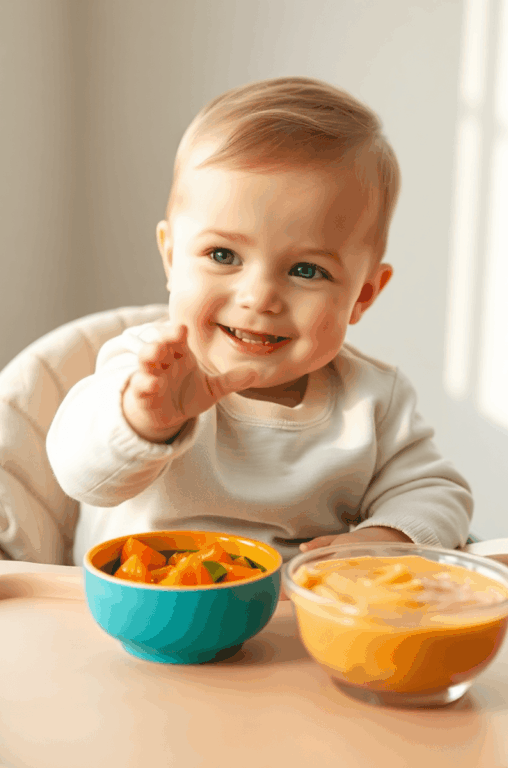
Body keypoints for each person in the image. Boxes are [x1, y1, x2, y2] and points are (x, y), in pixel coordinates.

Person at [46, 76, 473, 572]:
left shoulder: (373, 401)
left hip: (302, 635)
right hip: (146, 623)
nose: (260, 297)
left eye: (306, 270)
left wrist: (386, 537)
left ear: (363, 296)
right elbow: (79, 475)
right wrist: (147, 422)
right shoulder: (145, 370)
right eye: (222, 255)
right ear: (170, 258)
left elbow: (438, 493)